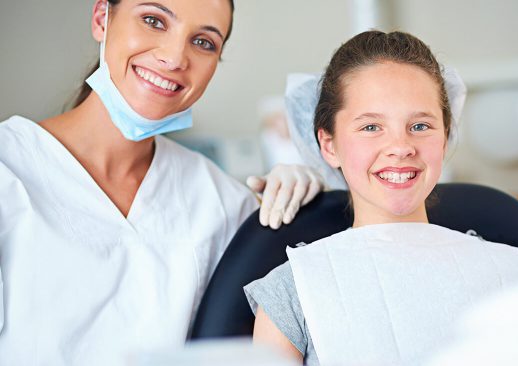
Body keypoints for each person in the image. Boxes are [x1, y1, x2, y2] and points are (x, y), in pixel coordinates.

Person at [0, 0, 324, 364]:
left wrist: (310, 209)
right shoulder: (10, 170)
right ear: (101, 19)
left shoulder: (224, 204)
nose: (174, 58)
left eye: (203, 42)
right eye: (153, 20)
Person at [244, 30, 518, 366]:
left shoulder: (513, 271)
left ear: (445, 137)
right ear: (329, 145)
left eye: (419, 126)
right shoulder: (294, 292)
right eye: (371, 127)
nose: (401, 147)